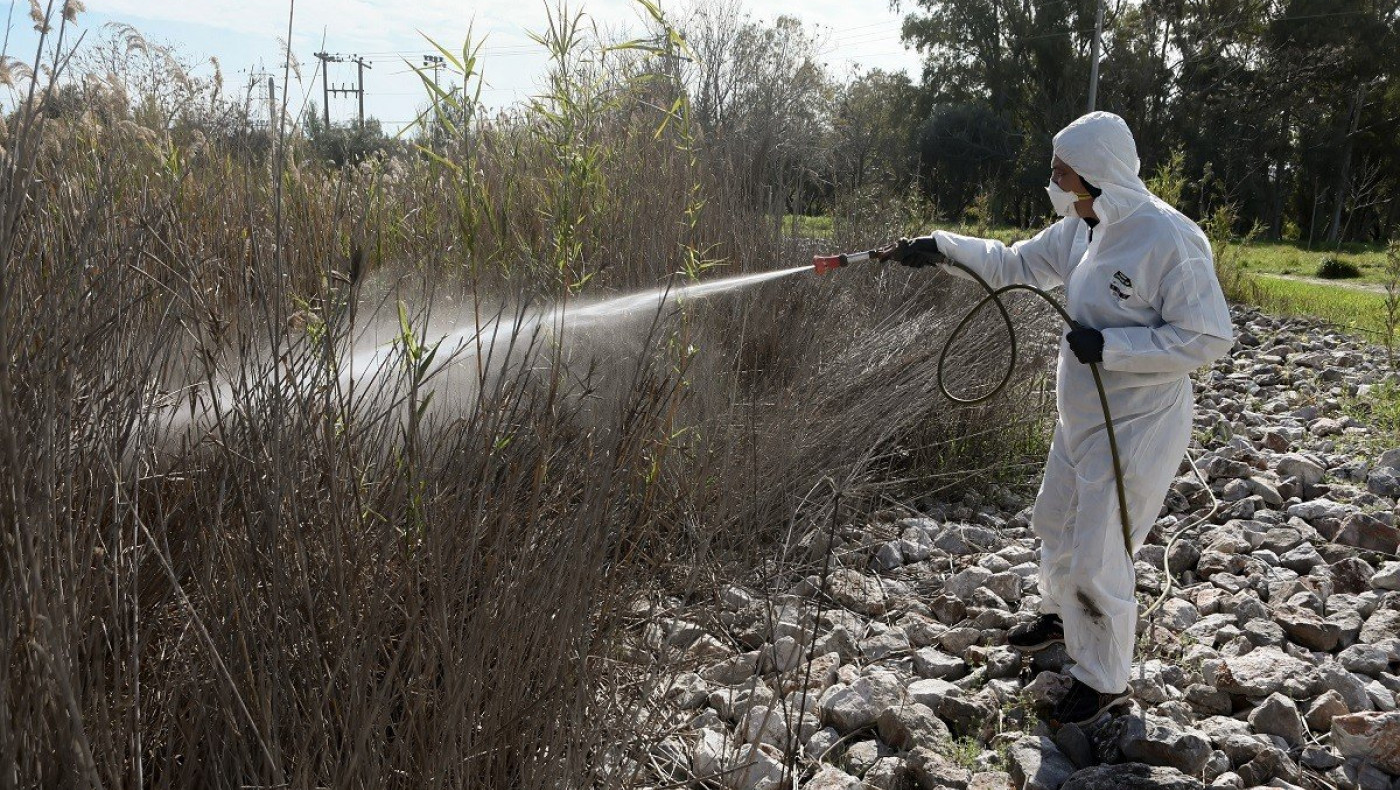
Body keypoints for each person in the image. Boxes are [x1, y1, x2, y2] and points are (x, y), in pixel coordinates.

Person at [886, 112, 1233, 726]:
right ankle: (1058, 618)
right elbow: (1014, 264)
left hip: (1138, 421)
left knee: (1101, 548)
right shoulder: (1080, 228)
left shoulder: (1168, 239)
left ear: (1097, 174)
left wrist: (1116, 348)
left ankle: (1103, 680)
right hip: (1079, 414)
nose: (1052, 180)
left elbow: (1206, 337)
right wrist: (940, 248)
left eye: (1061, 171)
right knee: (1056, 517)